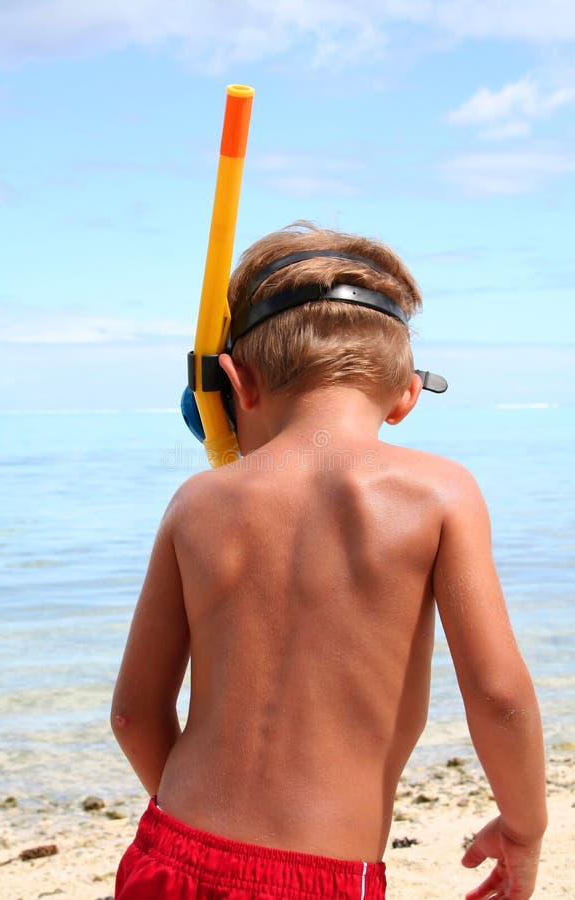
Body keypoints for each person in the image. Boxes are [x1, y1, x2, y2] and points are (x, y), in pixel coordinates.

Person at [111, 223, 547, 899]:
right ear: (405, 396)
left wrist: (203, 841)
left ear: (236, 383)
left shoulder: (195, 502)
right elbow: (497, 694)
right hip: (322, 877)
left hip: (170, 850)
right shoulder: (439, 493)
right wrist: (526, 826)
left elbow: (133, 714)